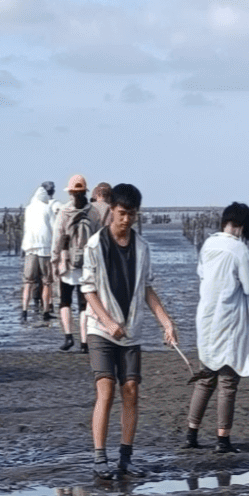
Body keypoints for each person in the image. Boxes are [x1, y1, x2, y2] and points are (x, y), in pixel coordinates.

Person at [77, 183, 180, 480]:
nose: (126, 220)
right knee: (106, 389)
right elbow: (88, 291)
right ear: (112, 210)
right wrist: (108, 321)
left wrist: (166, 322)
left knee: (131, 391)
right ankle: (99, 457)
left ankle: (126, 457)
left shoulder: (143, 247)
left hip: (131, 331)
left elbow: (147, 289)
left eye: (132, 215)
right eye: (122, 213)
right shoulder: (95, 245)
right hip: (101, 330)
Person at [186, 202, 249, 453]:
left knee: (205, 377)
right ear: (242, 226)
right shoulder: (239, 249)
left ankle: (191, 434)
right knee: (228, 381)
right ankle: (223, 439)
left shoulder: (209, 244)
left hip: (206, 316)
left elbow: (202, 273)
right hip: (229, 318)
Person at [50, 170, 90, 351]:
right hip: (87, 263)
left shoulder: (64, 212)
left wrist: (54, 259)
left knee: (65, 301)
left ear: (70, 192)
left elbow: (57, 238)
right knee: (84, 304)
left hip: (67, 263)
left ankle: (68, 338)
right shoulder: (93, 212)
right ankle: (84, 342)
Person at [19, 180, 59, 324]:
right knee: (47, 282)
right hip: (45, 249)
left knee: (28, 282)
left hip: (30, 248)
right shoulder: (47, 208)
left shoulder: (28, 209)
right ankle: (46, 311)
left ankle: (24, 311)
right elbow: (55, 228)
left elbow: (26, 228)